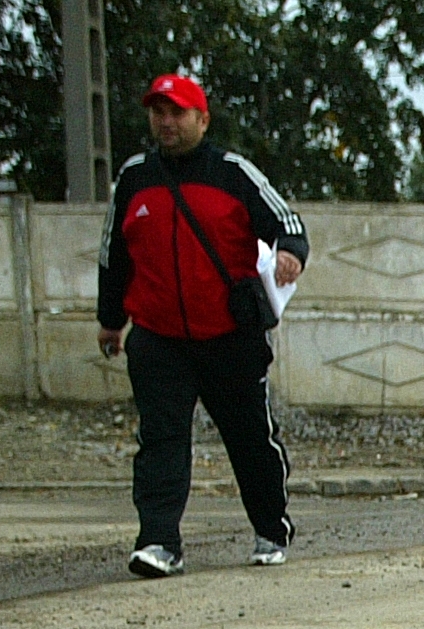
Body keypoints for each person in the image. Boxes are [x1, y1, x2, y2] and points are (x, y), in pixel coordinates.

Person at [97, 73, 308, 579]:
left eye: (178, 113)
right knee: (161, 442)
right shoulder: (134, 178)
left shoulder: (232, 173)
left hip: (228, 336)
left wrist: (289, 254)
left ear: (202, 119)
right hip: (158, 337)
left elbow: (288, 223)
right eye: (158, 112)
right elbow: (113, 257)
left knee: (251, 437)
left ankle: (270, 529)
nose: (166, 123)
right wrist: (111, 321)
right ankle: (158, 542)